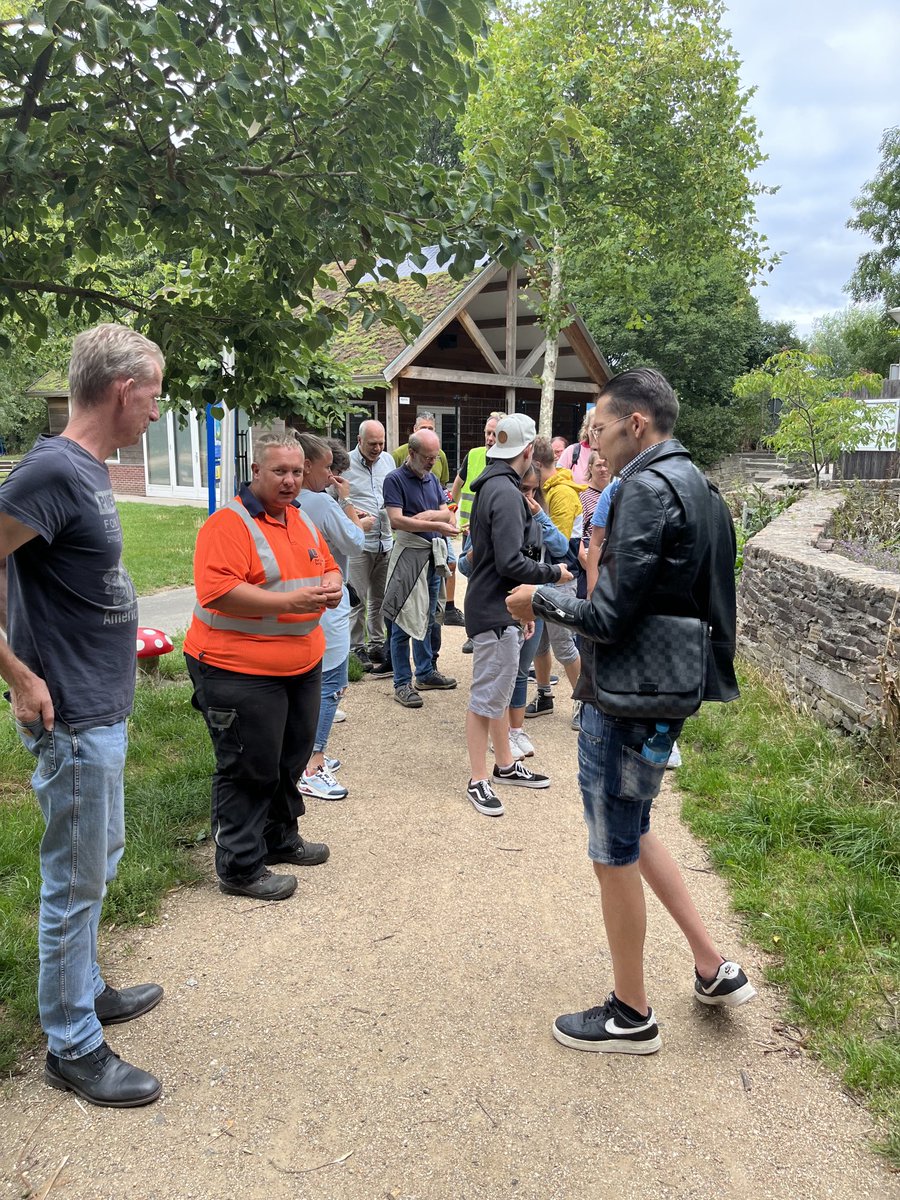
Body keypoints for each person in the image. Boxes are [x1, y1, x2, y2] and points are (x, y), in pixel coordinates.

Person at [507, 366, 754, 1055]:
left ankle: (630, 1013)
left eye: (602, 429)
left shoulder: (645, 488)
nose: (596, 443)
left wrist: (539, 600)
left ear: (635, 425)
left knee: (612, 847)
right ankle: (711, 965)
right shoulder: (700, 485)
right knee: (634, 822)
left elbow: (609, 617)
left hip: (626, 697)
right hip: (667, 688)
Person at [0, 323, 165, 1108]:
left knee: (100, 857)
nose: (157, 413)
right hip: (68, 716)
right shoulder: (53, 470)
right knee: (74, 879)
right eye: (156, 394)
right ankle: (72, 1045)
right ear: (125, 390)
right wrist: (18, 671)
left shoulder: (88, 469)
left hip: (101, 704)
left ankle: (87, 988)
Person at [184, 432, 338, 903]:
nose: (290, 481)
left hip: (299, 665)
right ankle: (240, 865)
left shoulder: (301, 520)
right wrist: (291, 599)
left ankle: (278, 838)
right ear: (256, 471)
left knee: (289, 759)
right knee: (249, 766)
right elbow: (217, 592)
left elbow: (327, 563)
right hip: (236, 669)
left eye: (296, 472)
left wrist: (331, 582)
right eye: (280, 472)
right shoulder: (227, 525)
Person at [463, 416, 570, 815]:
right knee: (486, 696)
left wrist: (523, 605)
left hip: (498, 604)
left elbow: (495, 559)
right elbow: (511, 562)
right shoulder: (506, 493)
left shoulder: (493, 485)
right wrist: (553, 575)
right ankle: (478, 780)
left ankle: (505, 765)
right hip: (494, 608)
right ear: (527, 454)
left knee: (500, 691)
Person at [297, 433, 374, 800]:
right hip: (329, 601)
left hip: (303, 601)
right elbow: (355, 542)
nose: (331, 475)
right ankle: (313, 763)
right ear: (307, 465)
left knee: (308, 684)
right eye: (326, 467)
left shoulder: (292, 501)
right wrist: (348, 506)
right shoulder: (322, 503)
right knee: (331, 684)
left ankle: (304, 755)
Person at [382, 429, 458, 708]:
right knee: (403, 619)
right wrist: (435, 523)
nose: (432, 462)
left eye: (435, 457)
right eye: (427, 457)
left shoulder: (433, 478)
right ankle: (402, 682)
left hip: (431, 556)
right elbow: (397, 521)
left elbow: (447, 511)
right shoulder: (394, 479)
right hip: (409, 556)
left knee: (428, 617)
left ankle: (425, 673)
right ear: (411, 453)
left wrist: (431, 517)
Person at [525, 436, 585, 727]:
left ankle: (585, 703)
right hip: (542, 575)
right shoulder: (545, 489)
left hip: (561, 578)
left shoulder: (560, 493)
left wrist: (535, 515)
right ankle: (545, 695)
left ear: (536, 463)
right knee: (539, 643)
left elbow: (559, 546)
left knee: (563, 644)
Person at [345, 420, 394, 673]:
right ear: (359, 441)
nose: (377, 448)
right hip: (359, 543)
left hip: (385, 541)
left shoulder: (388, 461)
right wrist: (352, 515)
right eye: (372, 443)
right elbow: (336, 499)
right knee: (357, 598)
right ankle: (356, 647)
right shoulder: (345, 464)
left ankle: (376, 642)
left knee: (379, 598)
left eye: (381, 443)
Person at [392, 411, 450, 486]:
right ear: (415, 429)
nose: (426, 431)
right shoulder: (398, 454)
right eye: (423, 428)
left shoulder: (440, 455)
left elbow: (443, 484)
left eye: (430, 428)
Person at [555, 415, 593, 485]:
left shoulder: (611, 452)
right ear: (586, 428)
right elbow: (557, 480)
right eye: (594, 426)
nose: (597, 431)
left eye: (602, 427)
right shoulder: (572, 451)